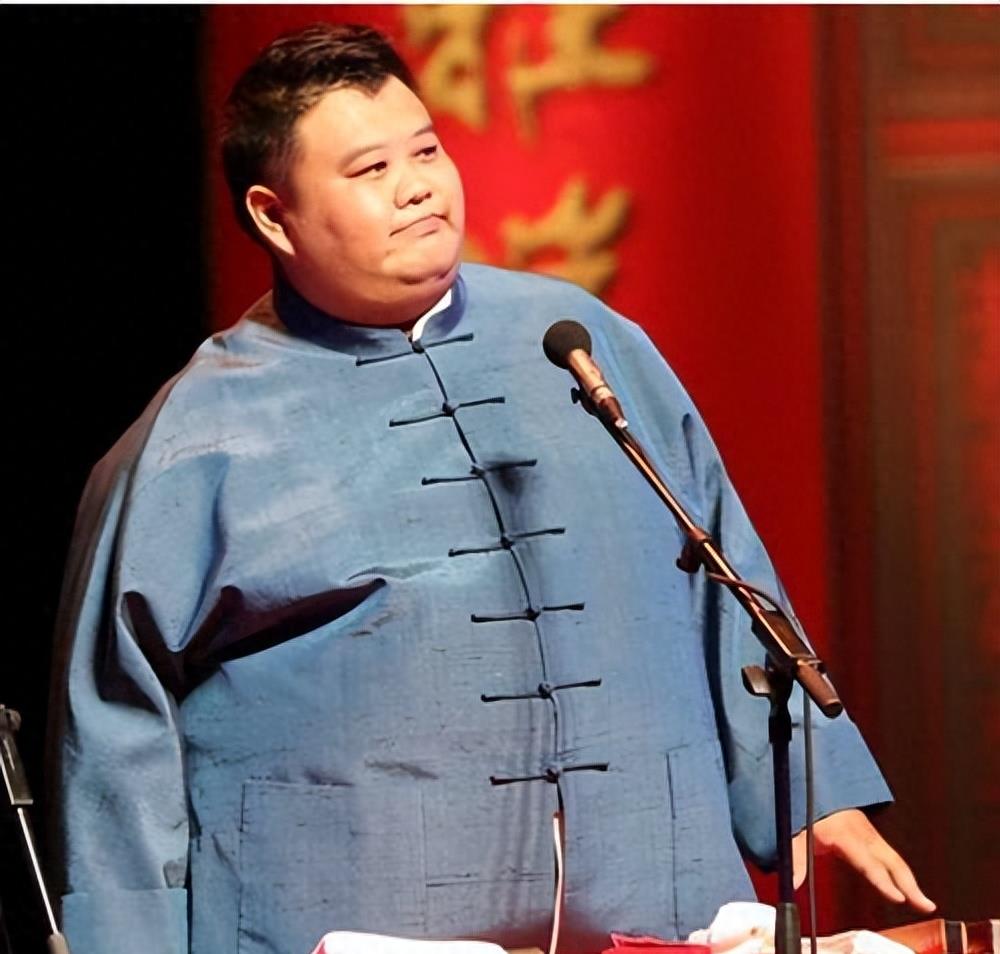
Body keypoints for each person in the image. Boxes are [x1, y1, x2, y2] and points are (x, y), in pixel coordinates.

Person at [47, 23, 934, 954]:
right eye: (371, 169)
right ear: (274, 215)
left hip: (642, 892)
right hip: (341, 903)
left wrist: (812, 790)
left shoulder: (581, 341)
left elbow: (718, 565)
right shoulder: (196, 439)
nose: (418, 186)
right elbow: (115, 726)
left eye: (426, 150)